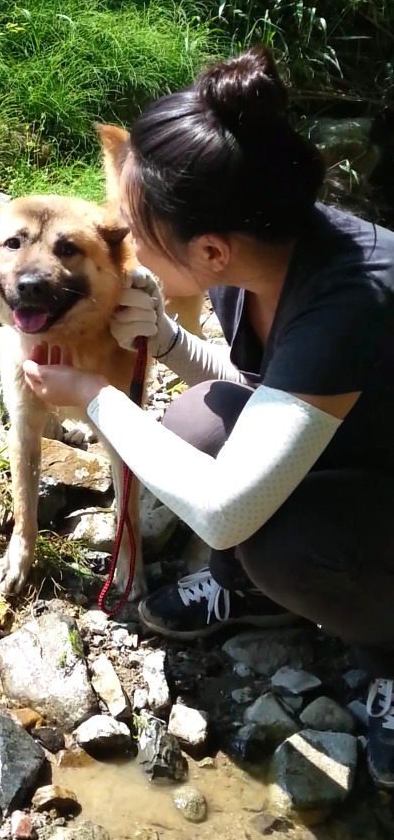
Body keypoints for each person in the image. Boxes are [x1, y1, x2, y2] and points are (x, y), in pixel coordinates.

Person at [22, 47, 394, 788]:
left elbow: (223, 513)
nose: (119, 248)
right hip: (362, 447)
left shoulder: (349, 298)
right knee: (197, 420)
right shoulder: (254, 255)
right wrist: (163, 340)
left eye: (131, 232)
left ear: (209, 250)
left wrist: (92, 399)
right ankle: (262, 599)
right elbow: (267, 390)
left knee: (277, 539)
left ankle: (386, 656)